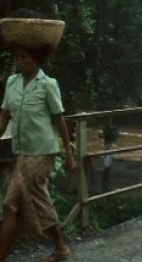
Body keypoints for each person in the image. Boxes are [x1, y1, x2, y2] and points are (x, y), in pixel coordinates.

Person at [0, 43, 76, 262]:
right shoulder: (12, 83)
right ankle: (60, 246)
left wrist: (69, 154)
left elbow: (59, 120)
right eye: (18, 57)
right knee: (25, 202)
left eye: (24, 57)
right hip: (22, 152)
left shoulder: (47, 85)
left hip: (42, 151)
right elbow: (4, 116)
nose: (20, 61)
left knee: (16, 203)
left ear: (36, 60)